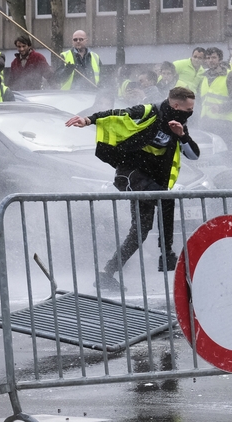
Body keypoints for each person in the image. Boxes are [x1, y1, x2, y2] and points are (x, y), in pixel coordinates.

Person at [65, 87, 200, 290]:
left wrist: (181, 136)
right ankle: (167, 253)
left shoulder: (181, 123)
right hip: (129, 174)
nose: (191, 112)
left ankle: (106, 274)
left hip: (153, 180)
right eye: (189, 108)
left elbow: (194, 155)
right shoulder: (150, 111)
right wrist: (89, 120)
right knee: (166, 198)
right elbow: (118, 113)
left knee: (140, 232)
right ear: (176, 105)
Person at [198, 47, 232, 150]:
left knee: (225, 155)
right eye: (208, 58)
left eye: (214, 57)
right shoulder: (204, 77)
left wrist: (220, 108)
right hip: (206, 122)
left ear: (220, 59)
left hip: (224, 124)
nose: (211, 60)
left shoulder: (229, 76)